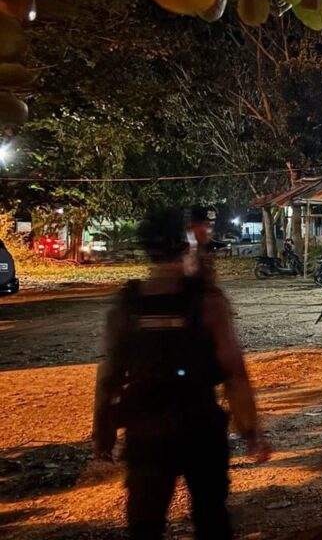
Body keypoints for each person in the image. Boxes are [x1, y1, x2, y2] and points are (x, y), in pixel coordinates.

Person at [93, 207, 270, 540]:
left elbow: (109, 374)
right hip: (199, 426)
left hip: (145, 429)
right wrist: (250, 430)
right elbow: (234, 372)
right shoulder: (207, 301)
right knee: (211, 516)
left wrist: (102, 430)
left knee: (145, 524)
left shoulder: (127, 305)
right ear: (186, 245)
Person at [188, 205, 219, 283]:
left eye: (212, 226)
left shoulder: (205, 253)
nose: (210, 231)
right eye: (206, 225)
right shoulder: (182, 256)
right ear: (193, 227)